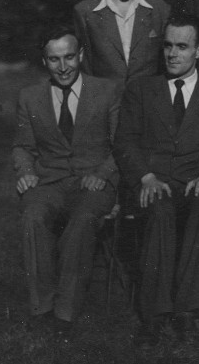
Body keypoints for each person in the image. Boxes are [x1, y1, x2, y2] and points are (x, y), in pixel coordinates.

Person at [113, 14, 199, 341]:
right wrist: (145, 177)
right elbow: (125, 141)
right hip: (154, 181)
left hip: (196, 180)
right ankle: (154, 311)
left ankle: (189, 308)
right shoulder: (141, 89)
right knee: (159, 206)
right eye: (168, 45)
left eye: (182, 46)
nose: (172, 54)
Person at [13, 27, 120, 332]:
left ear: (81, 56)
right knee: (33, 215)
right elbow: (22, 146)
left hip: (94, 181)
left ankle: (65, 311)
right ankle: (41, 306)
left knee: (84, 217)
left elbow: (122, 145)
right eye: (54, 59)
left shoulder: (108, 90)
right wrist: (26, 173)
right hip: (49, 181)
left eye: (70, 57)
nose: (63, 67)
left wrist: (102, 174)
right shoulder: (30, 96)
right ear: (44, 61)